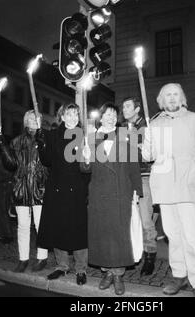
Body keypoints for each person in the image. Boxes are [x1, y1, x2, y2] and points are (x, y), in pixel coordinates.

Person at [142, 83, 195, 296]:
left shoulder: (194, 118)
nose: (172, 98)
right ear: (162, 100)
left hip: (186, 183)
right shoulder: (154, 124)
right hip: (164, 186)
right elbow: (148, 156)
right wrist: (146, 139)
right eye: (167, 95)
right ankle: (179, 276)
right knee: (172, 234)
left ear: (181, 97)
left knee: (190, 234)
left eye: (175, 94)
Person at [82, 103, 142, 296]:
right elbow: (85, 169)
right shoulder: (91, 138)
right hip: (100, 194)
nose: (111, 117)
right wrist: (85, 157)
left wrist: (136, 191)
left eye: (114, 114)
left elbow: (134, 165)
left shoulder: (126, 135)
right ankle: (106, 272)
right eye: (107, 114)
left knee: (119, 236)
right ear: (101, 117)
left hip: (121, 192)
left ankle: (117, 275)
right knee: (103, 235)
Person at [37, 104, 89, 286]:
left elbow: (87, 167)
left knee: (78, 228)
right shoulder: (52, 136)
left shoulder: (84, 136)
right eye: (69, 114)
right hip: (57, 187)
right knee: (59, 226)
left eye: (76, 114)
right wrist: (41, 144)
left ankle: (81, 268)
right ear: (62, 116)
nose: (73, 117)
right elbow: (46, 160)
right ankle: (62, 266)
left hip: (77, 187)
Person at [0, 110, 48, 273]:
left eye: (37, 118)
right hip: (21, 187)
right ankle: (23, 258)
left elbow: (49, 162)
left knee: (41, 225)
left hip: (39, 187)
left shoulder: (45, 138)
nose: (34, 120)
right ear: (25, 121)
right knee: (22, 226)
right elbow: (11, 165)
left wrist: (43, 142)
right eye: (31, 118)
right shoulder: (17, 141)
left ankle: (42, 257)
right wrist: (4, 148)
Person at [121, 97, 158, 276]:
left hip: (144, 177)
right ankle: (131, 253)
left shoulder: (148, 126)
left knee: (145, 219)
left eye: (128, 106)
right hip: (125, 178)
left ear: (137, 109)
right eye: (123, 106)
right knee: (129, 219)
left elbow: (150, 154)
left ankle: (150, 255)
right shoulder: (121, 128)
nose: (124, 109)